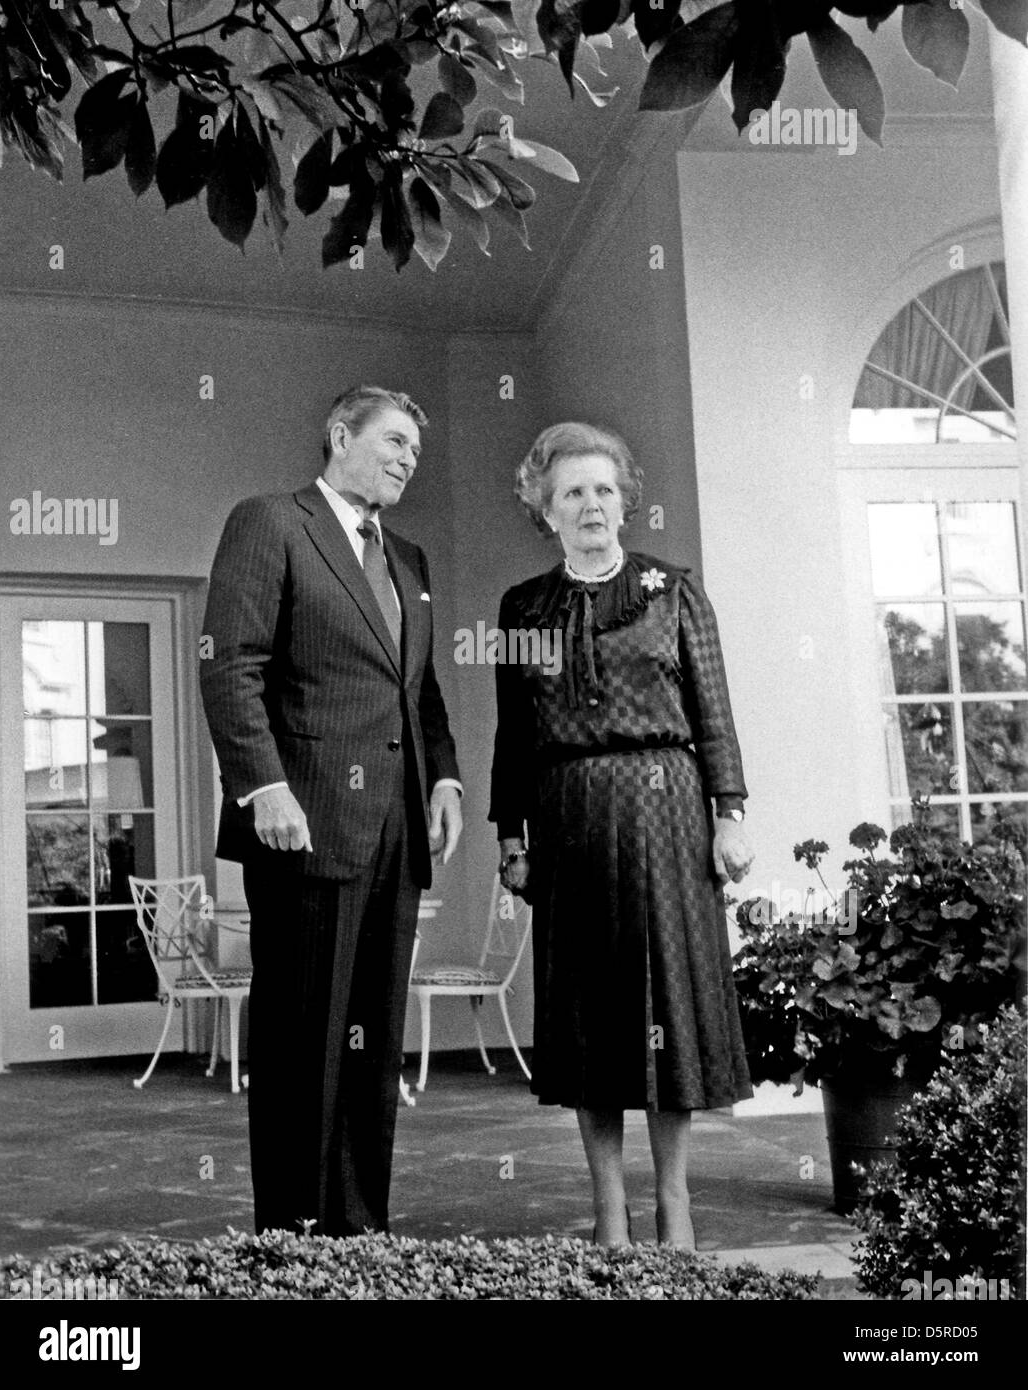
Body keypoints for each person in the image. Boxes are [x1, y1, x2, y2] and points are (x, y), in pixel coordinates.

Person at [200, 385, 462, 1238]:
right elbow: (230, 665)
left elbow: (418, 692)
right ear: (339, 435)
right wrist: (263, 784)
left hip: (393, 831)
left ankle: (360, 1232)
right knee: (302, 1040)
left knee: (371, 1043)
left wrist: (445, 782)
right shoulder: (270, 523)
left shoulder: (410, 561)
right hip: (304, 823)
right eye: (391, 441)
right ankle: (292, 1234)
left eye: (414, 453)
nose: (405, 460)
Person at [489, 421, 755, 1250]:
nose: (591, 504)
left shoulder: (671, 591)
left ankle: (674, 1203)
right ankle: (608, 1210)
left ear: (625, 500)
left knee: (668, 1006)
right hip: (568, 821)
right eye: (572, 491)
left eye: (603, 489)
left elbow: (712, 707)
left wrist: (730, 813)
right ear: (544, 508)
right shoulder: (523, 608)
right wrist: (511, 834)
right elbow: (513, 735)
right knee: (586, 1014)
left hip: (666, 812)